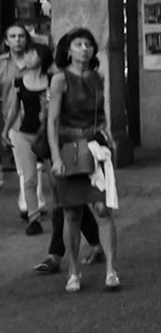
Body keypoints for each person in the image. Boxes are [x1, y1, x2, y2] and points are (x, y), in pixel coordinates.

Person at [46, 27, 121, 293]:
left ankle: (111, 269)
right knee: (72, 213)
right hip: (68, 149)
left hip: (94, 148)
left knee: (102, 209)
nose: (84, 48)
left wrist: (108, 137)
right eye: (78, 44)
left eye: (88, 44)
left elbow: (101, 114)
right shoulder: (60, 79)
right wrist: (55, 157)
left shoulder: (97, 78)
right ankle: (73, 271)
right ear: (68, 49)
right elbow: (53, 121)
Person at [5, 39, 52, 236]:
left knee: (56, 177)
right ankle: (34, 218)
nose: (28, 57)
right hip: (24, 134)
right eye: (27, 54)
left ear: (42, 57)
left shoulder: (53, 80)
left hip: (49, 133)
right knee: (29, 178)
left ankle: (63, 212)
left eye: (33, 53)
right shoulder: (19, 81)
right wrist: (5, 130)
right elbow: (15, 109)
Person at [2, 22, 32, 227]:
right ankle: (28, 204)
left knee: (37, 165)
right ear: (6, 41)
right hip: (12, 118)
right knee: (23, 165)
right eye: (13, 36)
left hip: (36, 116)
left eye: (21, 36)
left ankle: (31, 202)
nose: (17, 40)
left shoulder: (35, 60)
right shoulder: (2, 64)